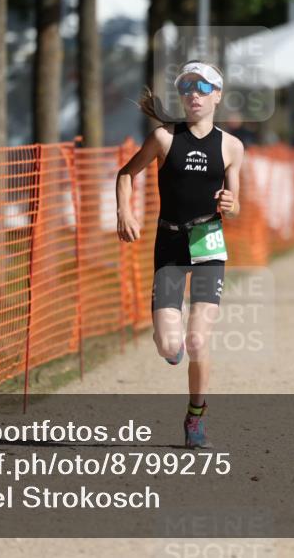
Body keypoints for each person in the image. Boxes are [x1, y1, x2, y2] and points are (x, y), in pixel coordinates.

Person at [116, 60, 244, 449]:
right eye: (187, 87)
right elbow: (126, 174)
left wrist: (231, 201)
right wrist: (125, 210)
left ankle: (195, 416)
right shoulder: (164, 138)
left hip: (208, 239)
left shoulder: (232, 146)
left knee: (198, 340)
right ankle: (172, 351)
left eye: (203, 87)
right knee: (170, 345)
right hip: (170, 242)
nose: (194, 94)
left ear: (217, 95)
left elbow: (236, 203)